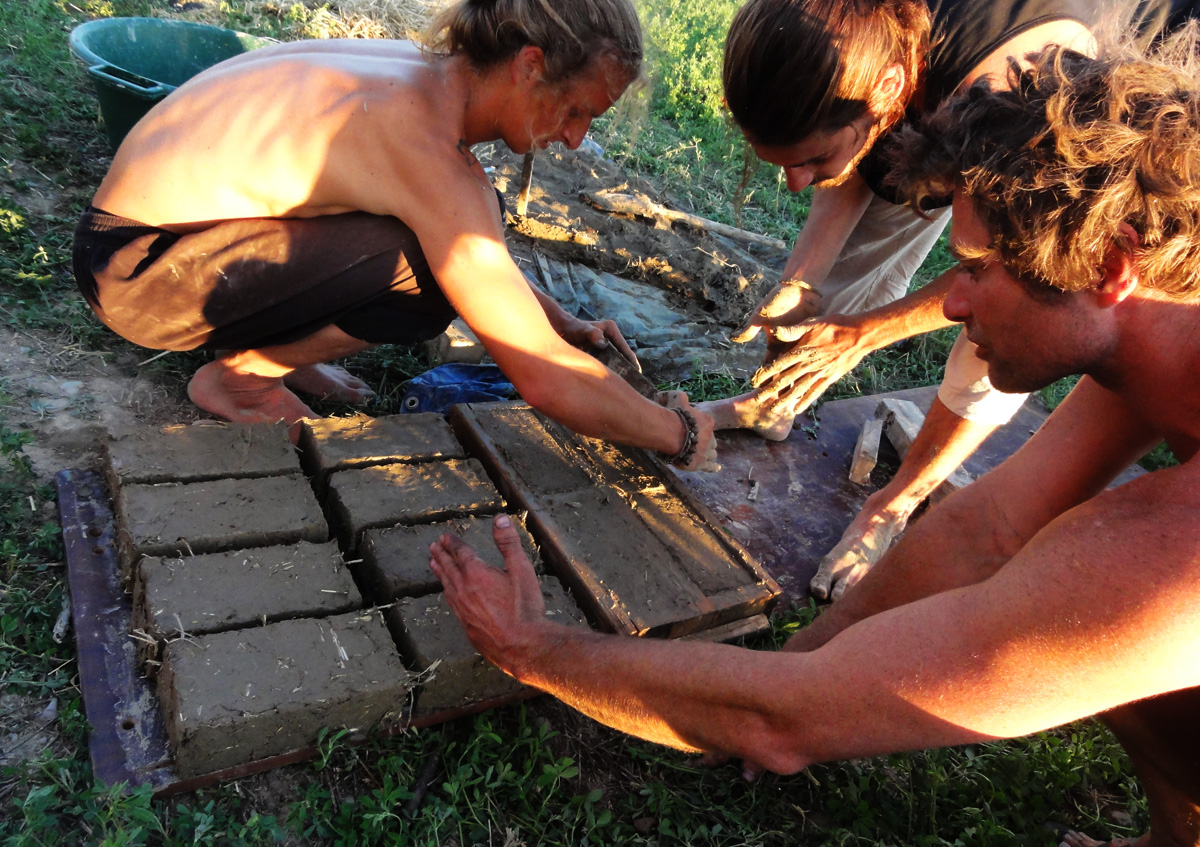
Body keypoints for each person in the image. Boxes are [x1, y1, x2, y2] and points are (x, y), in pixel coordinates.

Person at [431, 34, 1200, 847]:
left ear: (1110, 266)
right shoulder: (1160, 333)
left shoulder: (1170, 548)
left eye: (976, 269)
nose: (951, 307)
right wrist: (817, 654)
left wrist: (533, 647)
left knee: (1094, 609)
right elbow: (987, 527)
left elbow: (780, 724)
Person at [72, 0, 717, 471]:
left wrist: (561, 324)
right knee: (427, 277)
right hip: (139, 275)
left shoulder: (425, 75)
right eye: (575, 112)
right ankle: (244, 380)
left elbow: (474, 246)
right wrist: (679, 432)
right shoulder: (421, 143)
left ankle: (278, 346)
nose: (575, 139)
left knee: (440, 243)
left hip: (157, 239)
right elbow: (547, 382)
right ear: (529, 65)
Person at [698, 0, 1194, 600]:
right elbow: (844, 173)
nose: (795, 184)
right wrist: (803, 283)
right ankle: (776, 401)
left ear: (887, 90)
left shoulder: (1010, 92)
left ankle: (894, 504)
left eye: (809, 160)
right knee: (850, 272)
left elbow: (1012, 266)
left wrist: (868, 330)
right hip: (921, 98)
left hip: (1079, 109)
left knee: (1009, 320)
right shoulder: (843, 40)